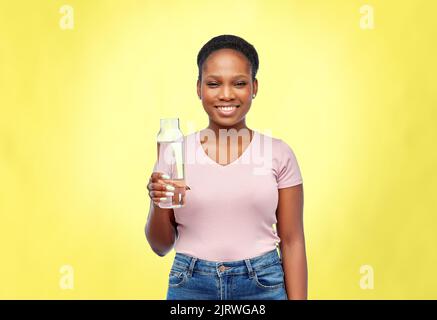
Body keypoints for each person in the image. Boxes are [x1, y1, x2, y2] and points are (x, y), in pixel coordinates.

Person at [146, 34, 307, 300]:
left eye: (240, 83)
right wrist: (156, 201)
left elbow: (292, 241)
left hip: (263, 286)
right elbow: (160, 246)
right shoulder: (174, 152)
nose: (226, 94)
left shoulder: (279, 153)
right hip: (191, 285)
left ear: (254, 87)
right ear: (198, 88)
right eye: (213, 84)